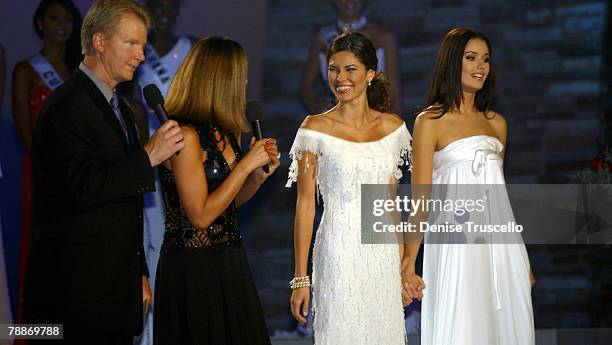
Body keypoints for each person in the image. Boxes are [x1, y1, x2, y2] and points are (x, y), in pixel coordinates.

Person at [23, 0, 184, 344]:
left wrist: (138, 273)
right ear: (99, 41)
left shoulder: (119, 108)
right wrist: (147, 156)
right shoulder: (65, 107)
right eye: (132, 43)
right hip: (74, 298)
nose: (141, 55)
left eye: (142, 45)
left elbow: (125, 202)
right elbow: (80, 186)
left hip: (114, 292)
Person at [403, 28, 535, 345]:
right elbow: (421, 200)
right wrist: (408, 261)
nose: (480, 67)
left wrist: (522, 256)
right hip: (454, 245)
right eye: (471, 58)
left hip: (500, 247)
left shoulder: (497, 123)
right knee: (461, 327)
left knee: (506, 328)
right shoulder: (429, 122)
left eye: (486, 59)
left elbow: (498, 197)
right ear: (452, 62)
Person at [287, 32, 411, 344]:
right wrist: (301, 278)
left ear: (370, 74)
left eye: (350, 69)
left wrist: (401, 269)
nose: (340, 78)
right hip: (337, 250)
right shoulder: (313, 129)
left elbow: (391, 205)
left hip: (382, 256)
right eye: (333, 69)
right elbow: (305, 205)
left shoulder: (394, 128)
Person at [154, 36, 276, 345]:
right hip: (193, 270)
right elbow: (200, 216)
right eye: (240, 74)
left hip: (229, 260)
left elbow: (227, 203)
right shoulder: (184, 135)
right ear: (220, 80)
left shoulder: (225, 130)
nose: (246, 81)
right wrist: (246, 165)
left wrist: (256, 177)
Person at [134, 0, 197, 345]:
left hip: (185, 157)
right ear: (149, 7)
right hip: (151, 160)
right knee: (152, 240)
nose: (167, 12)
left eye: (172, 6)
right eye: (160, 6)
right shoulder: (137, 54)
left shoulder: (190, 47)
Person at [10, 0, 82, 324]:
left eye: (67, 20)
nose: (61, 26)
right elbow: (25, 129)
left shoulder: (80, 71)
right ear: (40, 23)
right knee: (41, 251)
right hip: (42, 173)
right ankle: (41, 332)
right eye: (54, 18)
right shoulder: (26, 70)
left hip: (81, 174)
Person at [299, 0, 402, 116]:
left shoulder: (383, 36)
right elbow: (305, 86)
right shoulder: (323, 37)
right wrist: (317, 107)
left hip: (374, 120)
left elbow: (395, 90)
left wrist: (399, 131)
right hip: (337, 121)